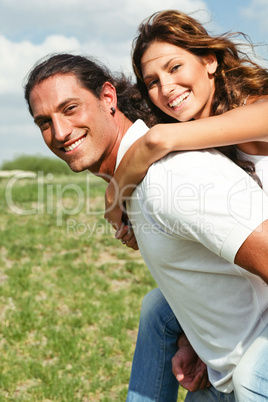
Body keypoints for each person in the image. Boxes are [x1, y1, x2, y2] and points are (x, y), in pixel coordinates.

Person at [24, 53, 268, 402]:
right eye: (44, 122)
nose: (59, 132)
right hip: (221, 374)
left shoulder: (170, 179)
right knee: (157, 308)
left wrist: (253, 371)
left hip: (249, 376)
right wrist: (196, 339)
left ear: (108, 98)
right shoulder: (135, 185)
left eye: (70, 108)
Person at [103, 10, 268, 402]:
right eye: (153, 82)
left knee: (249, 376)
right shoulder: (212, 140)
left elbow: (156, 141)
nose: (167, 88)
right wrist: (200, 337)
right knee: (159, 309)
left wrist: (115, 198)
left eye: (176, 67)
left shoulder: (256, 108)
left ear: (209, 61)